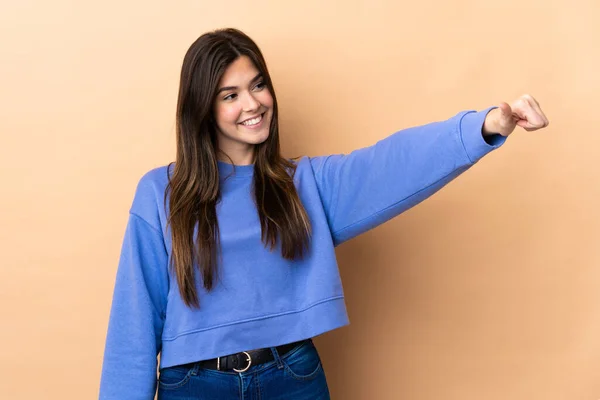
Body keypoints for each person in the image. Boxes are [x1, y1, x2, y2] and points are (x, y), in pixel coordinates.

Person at [98, 28, 549, 400]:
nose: (253, 104)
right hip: (196, 386)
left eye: (258, 85)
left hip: (290, 377)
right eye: (229, 95)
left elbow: (391, 166)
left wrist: (484, 125)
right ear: (202, 108)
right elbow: (132, 326)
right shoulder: (162, 193)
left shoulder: (303, 185)